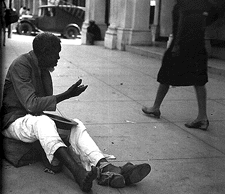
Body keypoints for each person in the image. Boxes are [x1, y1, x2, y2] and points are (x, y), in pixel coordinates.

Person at [1, 32, 151, 192]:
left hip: (32, 120)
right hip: (13, 121)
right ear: (45, 53)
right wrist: (66, 95)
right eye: (56, 54)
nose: (58, 58)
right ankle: (78, 172)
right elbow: (31, 104)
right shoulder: (21, 65)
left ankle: (106, 167)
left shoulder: (41, 67)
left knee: (75, 125)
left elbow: (40, 105)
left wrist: (60, 90)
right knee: (44, 122)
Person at [142, 0, 219, 131]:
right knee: (199, 79)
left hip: (182, 44)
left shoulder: (182, 4)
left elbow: (180, 24)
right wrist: (201, 26)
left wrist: (176, 45)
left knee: (165, 73)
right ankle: (202, 117)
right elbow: (214, 14)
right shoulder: (203, 4)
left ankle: (156, 107)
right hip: (198, 43)